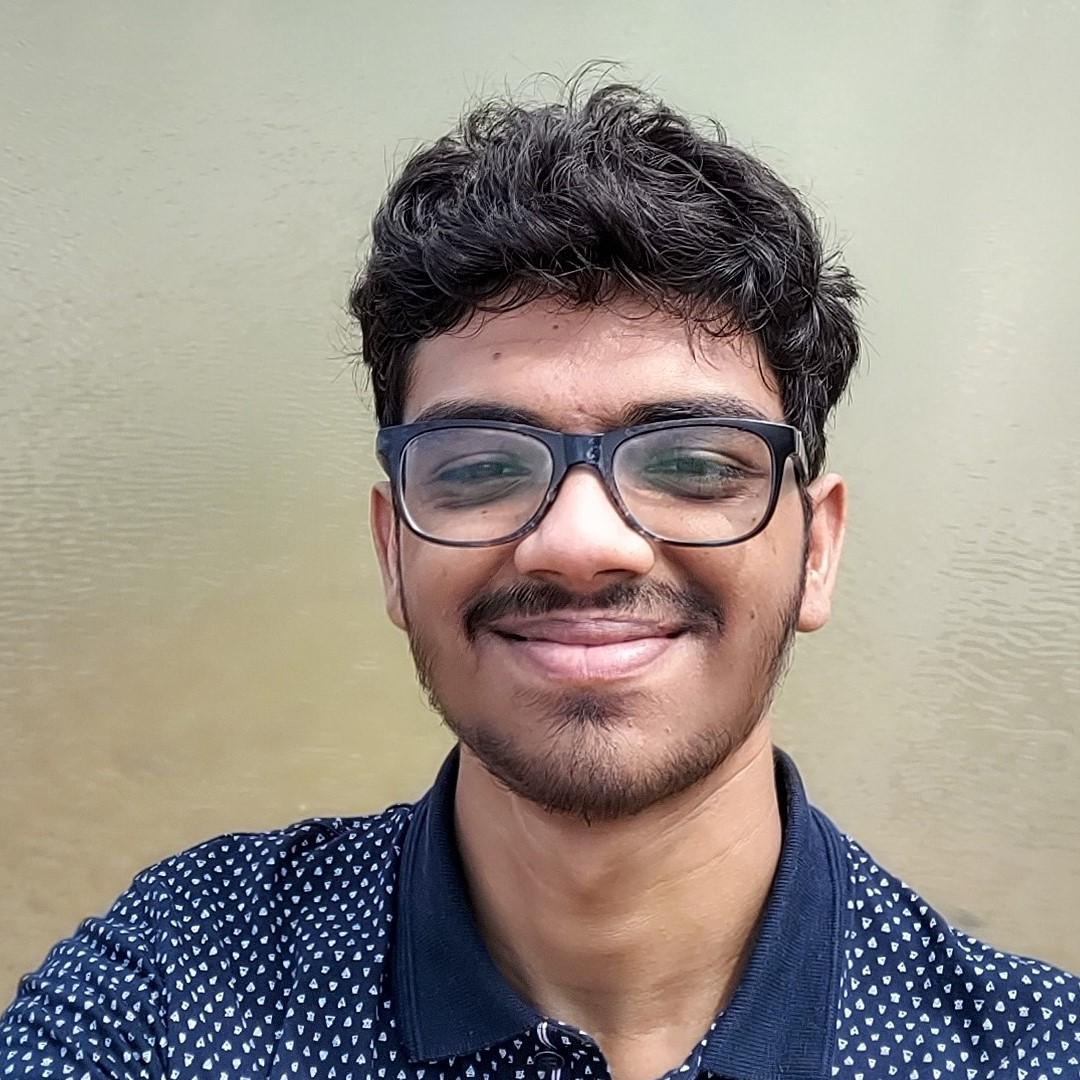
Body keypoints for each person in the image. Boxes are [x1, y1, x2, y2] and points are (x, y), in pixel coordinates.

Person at [3, 79, 1078, 1080]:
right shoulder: (178, 988)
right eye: (478, 467)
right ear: (392, 550)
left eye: (694, 464)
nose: (580, 541)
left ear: (818, 549)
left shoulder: (1022, 1051)